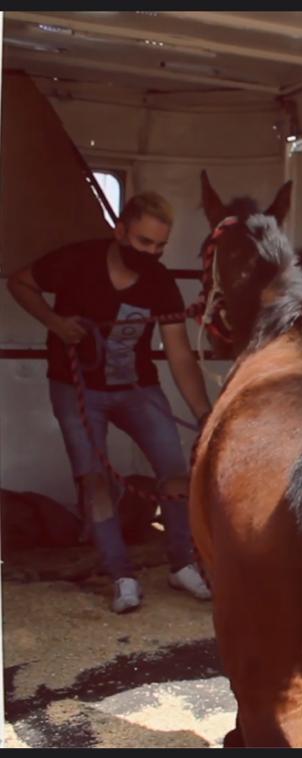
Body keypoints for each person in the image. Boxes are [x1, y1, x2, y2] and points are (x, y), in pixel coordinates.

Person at [7, 191, 214, 614]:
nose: (151, 253)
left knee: (174, 471)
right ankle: (121, 575)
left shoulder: (159, 282)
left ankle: (182, 563)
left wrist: (204, 414)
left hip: (137, 388)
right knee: (95, 480)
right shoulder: (75, 262)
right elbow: (19, 282)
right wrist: (53, 322)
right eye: (143, 243)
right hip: (77, 387)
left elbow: (179, 354)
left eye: (159, 246)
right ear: (120, 231)